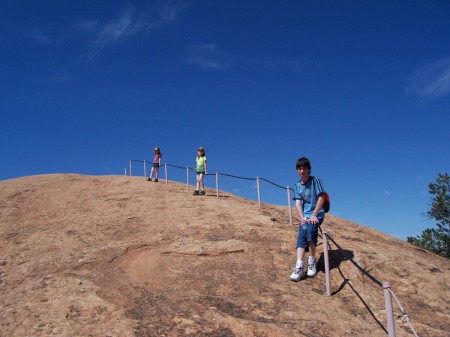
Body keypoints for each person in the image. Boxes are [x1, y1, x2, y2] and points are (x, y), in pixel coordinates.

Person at [290, 157, 326, 282]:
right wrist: (301, 218)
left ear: (309, 169)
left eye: (304, 168)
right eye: (299, 168)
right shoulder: (297, 185)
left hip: (317, 212)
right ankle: (299, 265)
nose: (302, 171)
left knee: (310, 228)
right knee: (302, 231)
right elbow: (298, 204)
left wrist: (314, 214)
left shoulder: (315, 180)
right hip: (305, 214)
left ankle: (311, 260)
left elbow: (321, 197)